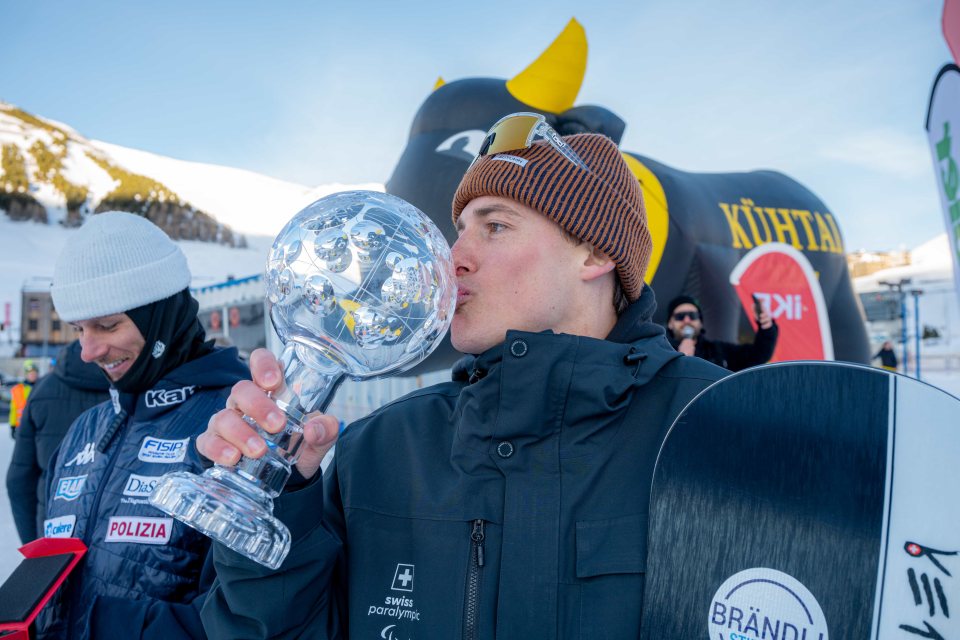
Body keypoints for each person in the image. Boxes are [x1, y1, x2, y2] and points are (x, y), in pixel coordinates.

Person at [198, 118, 727, 638]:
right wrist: (276, 501)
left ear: (595, 253)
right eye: (460, 231)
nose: (452, 260)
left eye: (495, 226)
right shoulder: (383, 449)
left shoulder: (715, 429)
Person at [36, 211, 248, 640]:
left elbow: (250, 617)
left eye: (107, 324)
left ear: (159, 317)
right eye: (79, 329)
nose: (87, 350)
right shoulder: (84, 430)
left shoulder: (231, 426)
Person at [7, 339, 110, 543]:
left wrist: (34, 545)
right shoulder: (135, 388)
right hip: (116, 531)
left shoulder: (43, 389)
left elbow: (19, 479)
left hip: (54, 526)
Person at [665, 294, 778, 371]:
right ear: (670, 323)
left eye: (692, 316)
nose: (687, 320)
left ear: (700, 322)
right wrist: (680, 360)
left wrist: (766, 327)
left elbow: (758, 355)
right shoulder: (662, 352)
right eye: (680, 317)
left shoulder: (718, 350)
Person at [8, 359, 39, 438]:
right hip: (22, 427)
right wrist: (12, 426)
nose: (32, 375)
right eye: (30, 373)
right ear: (26, 374)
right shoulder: (18, 389)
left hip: (38, 427)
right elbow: (14, 409)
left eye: (34, 373)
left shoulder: (41, 387)